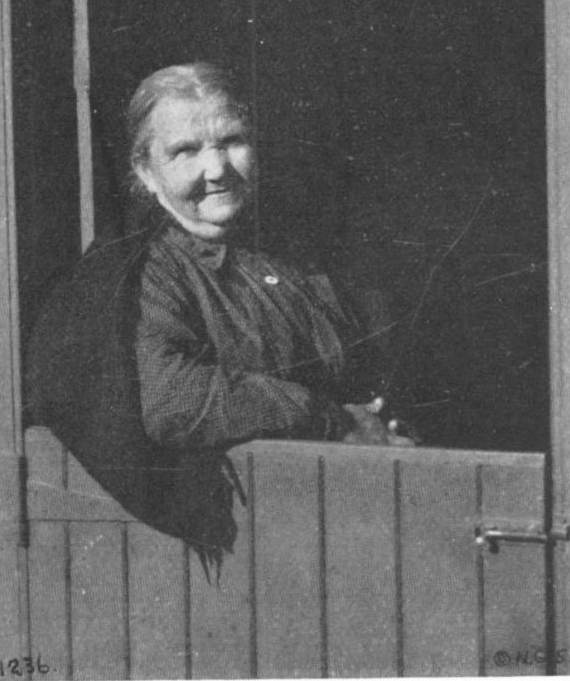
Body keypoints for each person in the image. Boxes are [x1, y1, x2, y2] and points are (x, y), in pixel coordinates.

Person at [27, 62, 412, 563]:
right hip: (250, 547)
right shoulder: (144, 272)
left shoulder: (289, 251)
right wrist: (328, 419)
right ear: (145, 170)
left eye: (231, 141)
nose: (216, 169)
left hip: (347, 519)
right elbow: (172, 399)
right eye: (185, 151)